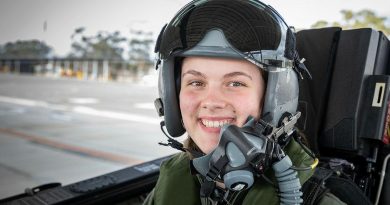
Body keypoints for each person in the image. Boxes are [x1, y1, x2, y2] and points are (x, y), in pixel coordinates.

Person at [144, 0, 346, 204]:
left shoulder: (319, 200)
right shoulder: (169, 183)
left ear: (275, 99)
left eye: (235, 83)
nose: (212, 102)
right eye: (196, 82)